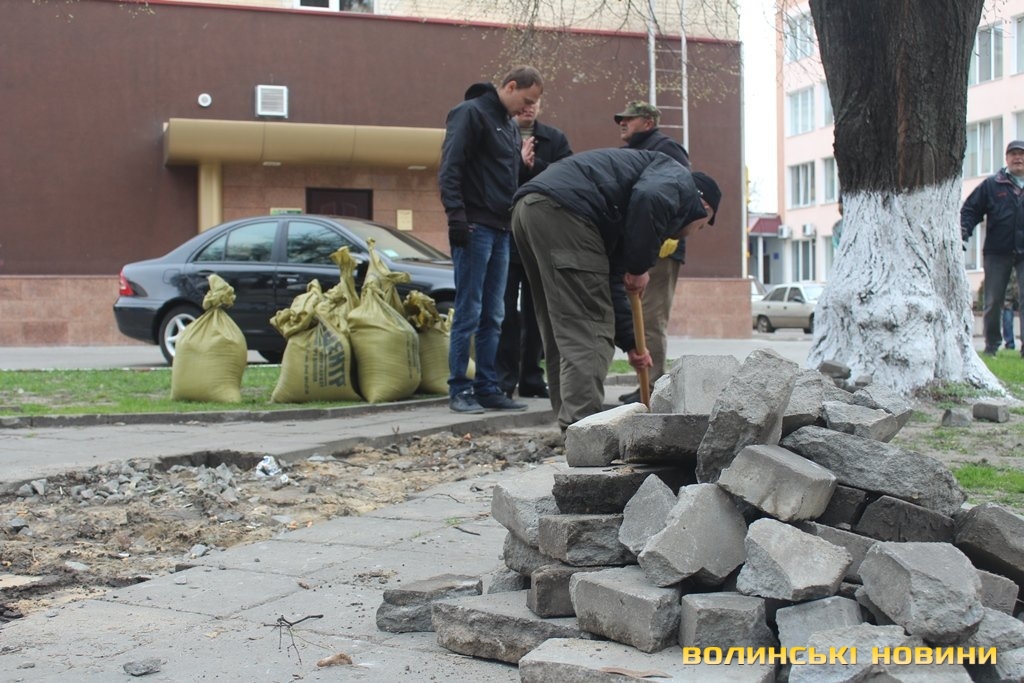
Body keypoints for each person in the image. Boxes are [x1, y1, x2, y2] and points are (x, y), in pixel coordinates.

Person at [511, 148, 720, 431]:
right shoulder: (678, 180)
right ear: (704, 208)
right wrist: (640, 266)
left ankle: (571, 428)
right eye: (703, 227)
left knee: (564, 327)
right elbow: (650, 197)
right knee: (589, 329)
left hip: (530, 209)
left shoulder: (626, 209)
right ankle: (584, 430)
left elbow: (610, 280)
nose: (695, 233)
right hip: (567, 213)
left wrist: (632, 344)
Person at [439, 66, 544, 413]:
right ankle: (459, 389)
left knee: (494, 314)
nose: (528, 108)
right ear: (511, 86)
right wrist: (456, 217)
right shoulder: (470, 114)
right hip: (474, 227)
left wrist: (522, 167)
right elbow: (451, 167)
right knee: (469, 310)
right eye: (526, 99)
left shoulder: (509, 126)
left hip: (501, 229)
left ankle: (487, 387)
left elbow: (499, 174)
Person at [613, 101, 692, 404]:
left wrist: (664, 239)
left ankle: (654, 384)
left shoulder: (666, 149)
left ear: (648, 122)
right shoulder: (633, 152)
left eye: (628, 118)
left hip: (660, 249)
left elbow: (678, 193)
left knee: (651, 316)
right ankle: (645, 384)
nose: (622, 123)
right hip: (640, 247)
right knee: (639, 317)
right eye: (621, 119)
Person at [496, 99, 573, 399]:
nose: (529, 107)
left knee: (538, 312)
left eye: (535, 102)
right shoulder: (500, 134)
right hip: (505, 234)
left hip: (540, 238)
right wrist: (517, 163)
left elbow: (567, 177)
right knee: (504, 312)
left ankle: (531, 378)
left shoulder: (554, 139)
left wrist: (534, 166)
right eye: (525, 102)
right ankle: (504, 381)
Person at [961, 139, 1024, 358]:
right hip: (997, 250)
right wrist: (963, 231)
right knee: (993, 301)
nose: (1018, 158)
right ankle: (991, 346)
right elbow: (970, 210)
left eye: (1022, 154)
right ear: (1006, 158)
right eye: (1014, 154)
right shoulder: (992, 184)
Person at [1003, 269, 1019, 350]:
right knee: (1007, 319)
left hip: (1016, 292)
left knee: (1007, 319)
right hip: (1009, 294)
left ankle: (1010, 344)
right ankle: (1009, 344)